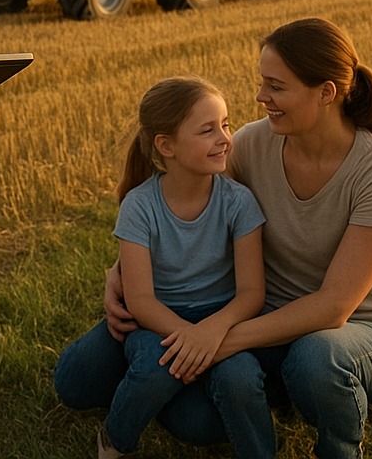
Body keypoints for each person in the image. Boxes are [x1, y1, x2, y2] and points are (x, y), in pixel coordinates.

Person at [53, 18, 372, 459]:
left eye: (276, 86)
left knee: (314, 360)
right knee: (92, 386)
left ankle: (338, 446)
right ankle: (174, 384)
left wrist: (215, 337)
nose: (261, 97)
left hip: (352, 331)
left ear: (325, 93)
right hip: (255, 321)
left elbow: (334, 307)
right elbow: (192, 197)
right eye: (262, 83)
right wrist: (121, 272)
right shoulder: (252, 144)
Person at [91, 76, 273, 458]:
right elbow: (139, 299)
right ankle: (114, 440)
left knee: (239, 376)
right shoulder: (139, 206)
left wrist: (208, 335)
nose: (224, 137)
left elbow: (252, 293)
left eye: (226, 124)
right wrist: (191, 339)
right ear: (166, 146)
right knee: (146, 368)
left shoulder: (239, 202)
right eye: (207, 130)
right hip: (158, 319)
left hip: (222, 319)